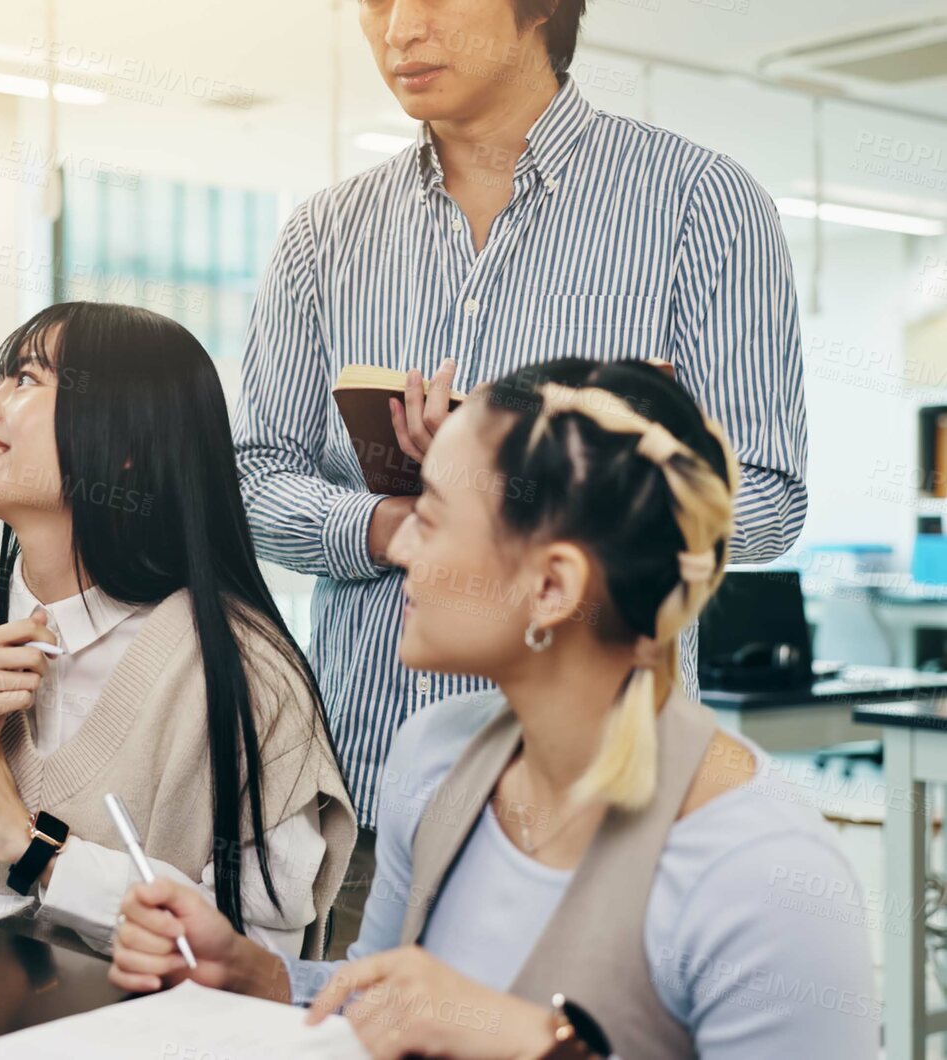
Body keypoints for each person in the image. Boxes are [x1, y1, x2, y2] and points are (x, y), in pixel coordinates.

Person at [233, 0, 808, 956]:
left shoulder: (698, 205)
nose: (397, 31)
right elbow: (253, 481)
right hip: (365, 790)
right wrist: (400, 520)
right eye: (373, 4)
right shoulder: (325, 234)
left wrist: (521, 483)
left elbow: (770, 500)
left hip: (604, 797)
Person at [110, 360, 874, 1058]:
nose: (401, 546)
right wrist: (260, 977)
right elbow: (383, 999)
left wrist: (540, 1043)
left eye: (433, 515)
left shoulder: (764, 875)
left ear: (551, 587)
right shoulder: (435, 757)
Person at [0, 302, 355, 959]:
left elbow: (259, 954)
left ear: (124, 445)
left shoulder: (243, 667)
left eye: (26, 381)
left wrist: (30, 847)